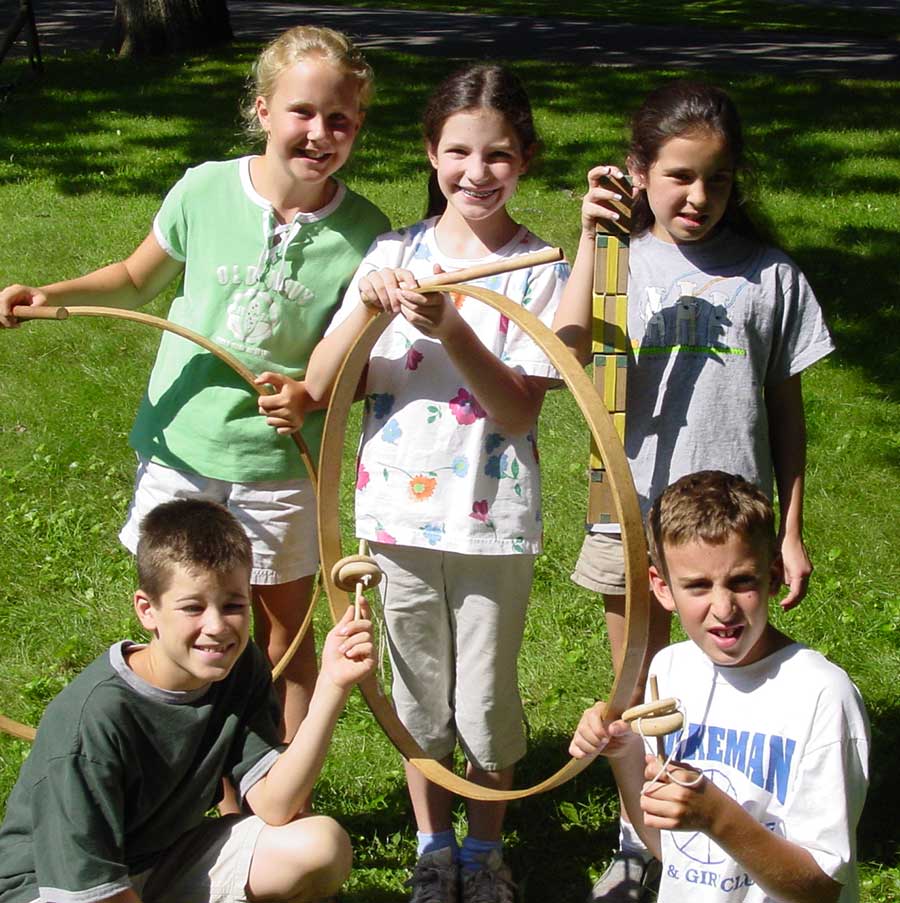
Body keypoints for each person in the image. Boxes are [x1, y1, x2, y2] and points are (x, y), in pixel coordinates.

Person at [0, 26, 390, 743]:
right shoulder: (205, 189)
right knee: (178, 624)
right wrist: (50, 295)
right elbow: (133, 276)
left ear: (358, 126)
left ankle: (272, 789)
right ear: (263, 109)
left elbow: (358, 356)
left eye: (340, 119)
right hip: (181, 445)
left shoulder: (367, 232)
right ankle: (172, 773)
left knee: (282, 632)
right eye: (302, 111)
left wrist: (310, 392)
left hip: (277, 461)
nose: (319, 132)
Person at [551, 81, 835, 900]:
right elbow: (565, 354)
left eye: (715, 178)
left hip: (732, 532)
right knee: (635, 688)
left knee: (725, 672)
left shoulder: (768, 275)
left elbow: (787, 410)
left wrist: (790, 528)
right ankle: (641, 841)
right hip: (631, 518)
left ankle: (733, 819)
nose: (698, 196)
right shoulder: (617, 261)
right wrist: (589, 237)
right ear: (638, 171)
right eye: (677, 176)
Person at [303, 64, 569, 903]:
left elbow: (517, 411)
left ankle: (484, 850)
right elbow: (323, 385)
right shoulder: (393, 256)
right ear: (431, 151)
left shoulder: (536, 269)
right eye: (458, 151)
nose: (476, 172)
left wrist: (451, 326)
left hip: (490, 520)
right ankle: (432, 841)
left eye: (497, 155)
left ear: (524, 158)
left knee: (486, 701)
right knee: (419, 693)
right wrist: (366, 311)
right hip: (396, 518)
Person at [0, 497, 375, 903]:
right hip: (58, 890)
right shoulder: (94, 718)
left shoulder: (237, 666)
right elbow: (89, 885)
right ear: (147, 610)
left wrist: (332, 687)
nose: (216, 627)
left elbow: (276, 804)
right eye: (192, 608)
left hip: (157, 863)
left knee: (319, 845)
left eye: (233, 605)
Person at [570, 470, 870, 903]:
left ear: (772, 576)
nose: (723, 608)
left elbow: (819, 889)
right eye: (697, 586)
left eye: (741, 581)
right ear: (662, 588)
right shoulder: (670, 668)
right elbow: (668, 850)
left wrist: (717, 816)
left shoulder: (822, 695)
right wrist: (623, 755)